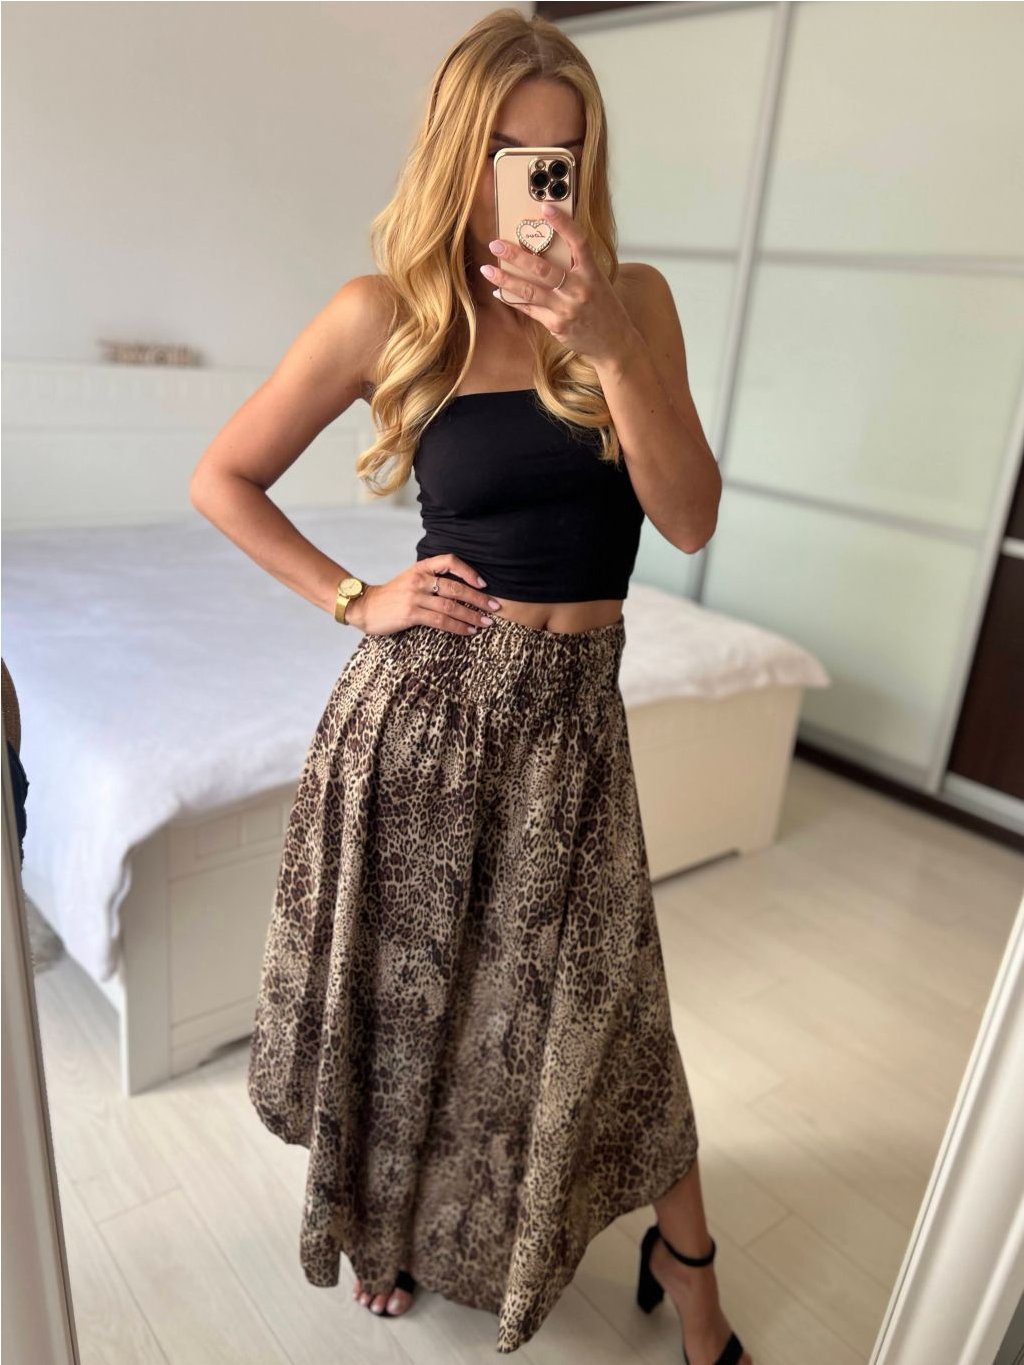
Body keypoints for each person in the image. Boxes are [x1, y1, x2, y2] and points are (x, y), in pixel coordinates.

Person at [191, 11, 749, 1363]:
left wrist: (607, 342)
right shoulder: (389, 312)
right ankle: (394, 1231)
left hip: (575, 726)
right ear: (462, 153)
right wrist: (358, 597)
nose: (541, 183)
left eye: (565, 155)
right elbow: (224, 478)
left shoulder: (636, 304)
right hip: (426, 722)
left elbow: (688, 520)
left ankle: (689, 1267)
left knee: (613, 1014)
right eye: (513, 151)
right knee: (414, 1010)